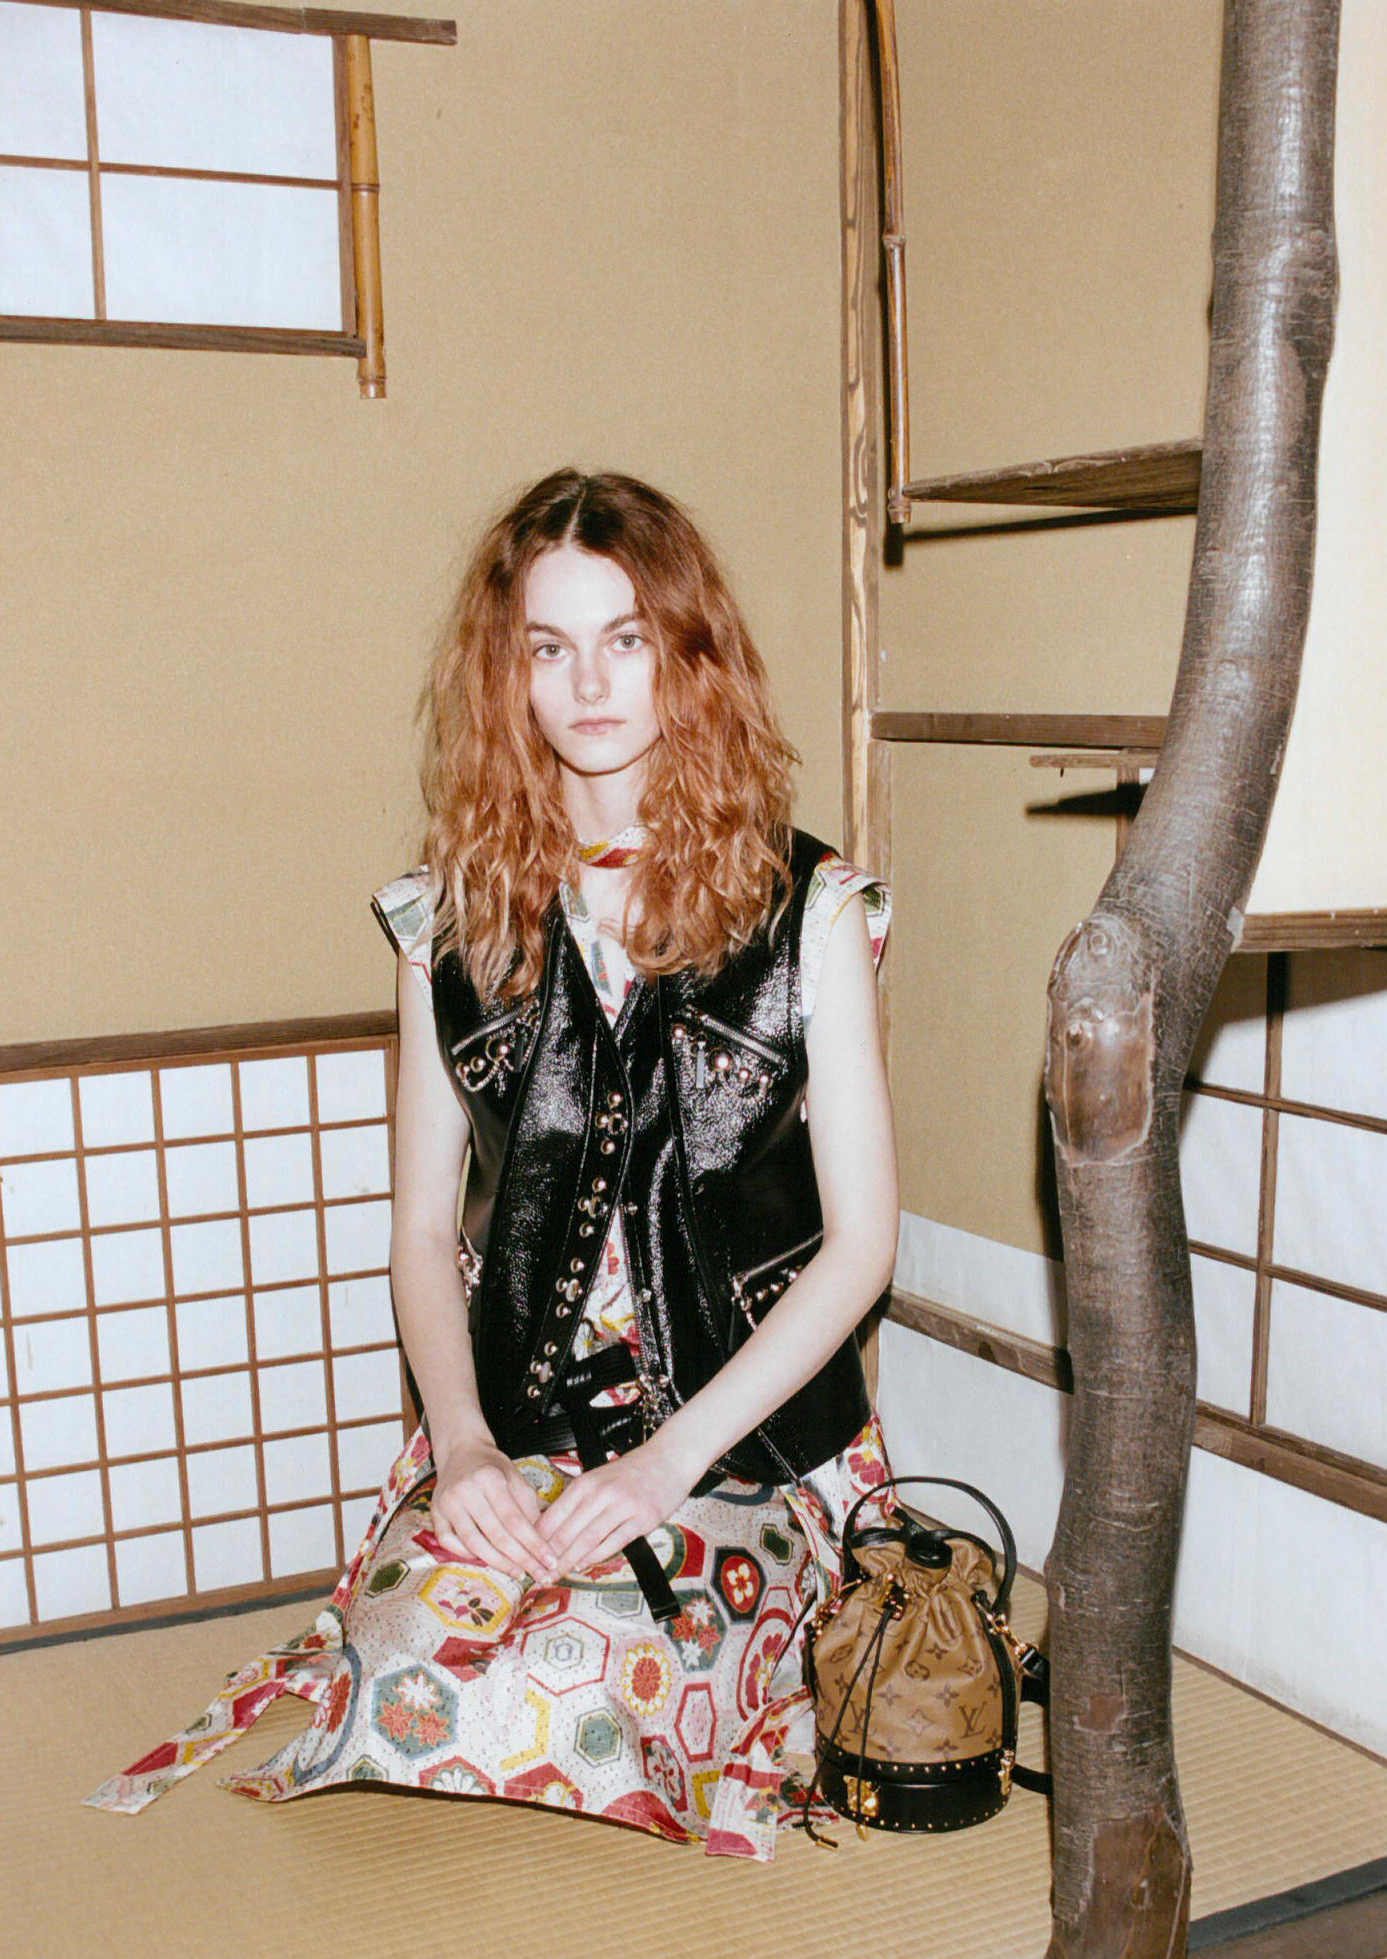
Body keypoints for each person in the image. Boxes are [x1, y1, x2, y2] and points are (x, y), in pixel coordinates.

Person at [89, 470, 897, 1858]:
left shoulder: (811, 909)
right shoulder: (447, 920)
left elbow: (864, 1244)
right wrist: (460, 1446)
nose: (589, 684)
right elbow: (421, 1231)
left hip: (743, 1444)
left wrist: (667, 1465)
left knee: (591, 1685)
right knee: (402, 1657)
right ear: (506, 674)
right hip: (524, 1427)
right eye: (548, 647)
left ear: (688, 653)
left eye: (626, 638)